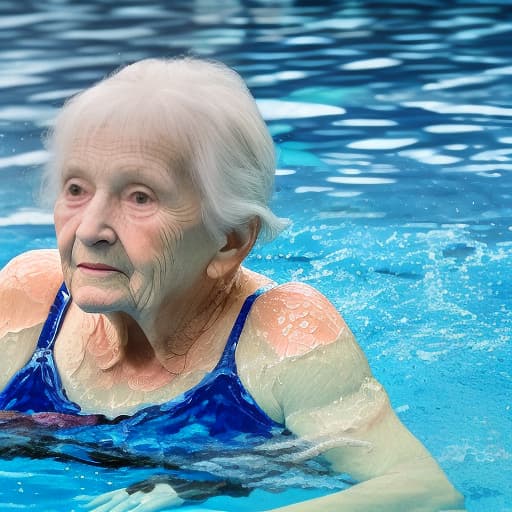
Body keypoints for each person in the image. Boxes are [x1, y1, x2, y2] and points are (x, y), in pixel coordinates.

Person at [0, 57, 465, 511]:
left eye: (140, 196)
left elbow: (422, 490)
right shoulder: (30, 300)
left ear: (229, 241)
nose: (88, 230)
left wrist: (205, 486)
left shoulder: (286, 341)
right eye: (76, 189)